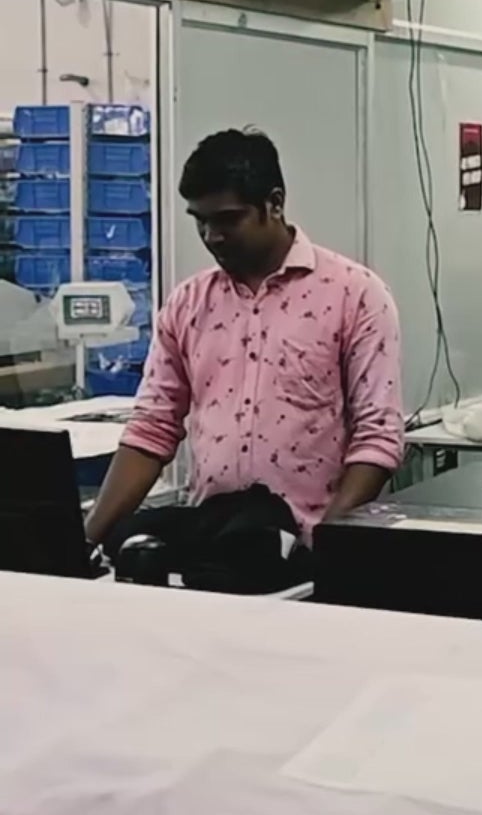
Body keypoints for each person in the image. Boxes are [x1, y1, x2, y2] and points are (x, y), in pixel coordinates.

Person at [85, 128, 405, 556]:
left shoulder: (355, 295)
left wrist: (329, 546)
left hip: (309, 546)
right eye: (200, 220)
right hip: (214, 544)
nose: (211, 235)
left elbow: (378, 437)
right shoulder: (188, 304)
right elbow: (152, 428)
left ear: (275, 203)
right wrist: (82, 541)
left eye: (227, 219)